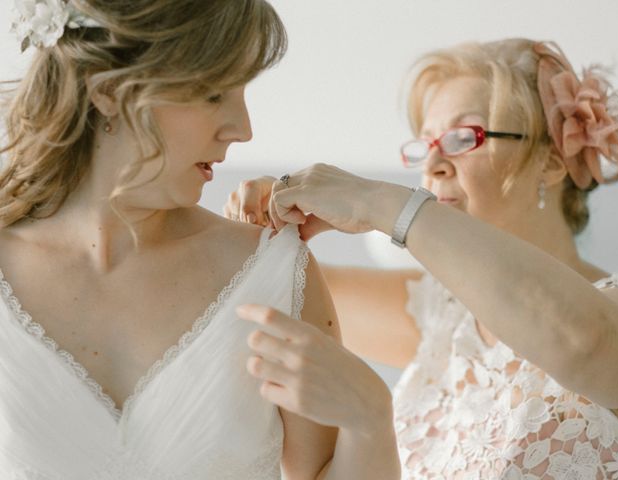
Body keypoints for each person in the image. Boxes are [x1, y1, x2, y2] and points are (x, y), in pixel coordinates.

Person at [0, 1, 400, 478]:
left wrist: (373, 422)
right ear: (108, 93)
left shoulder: (273, 271)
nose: (243, 129)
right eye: (213, 94)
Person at [226, 38, 618, 479]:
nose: (434, 166)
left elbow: (581, 344)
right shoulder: (438, 316)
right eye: (426, 146)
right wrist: (264, 225)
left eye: (464, 137)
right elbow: (274, 285)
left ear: (553, 160)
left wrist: (375, 201)